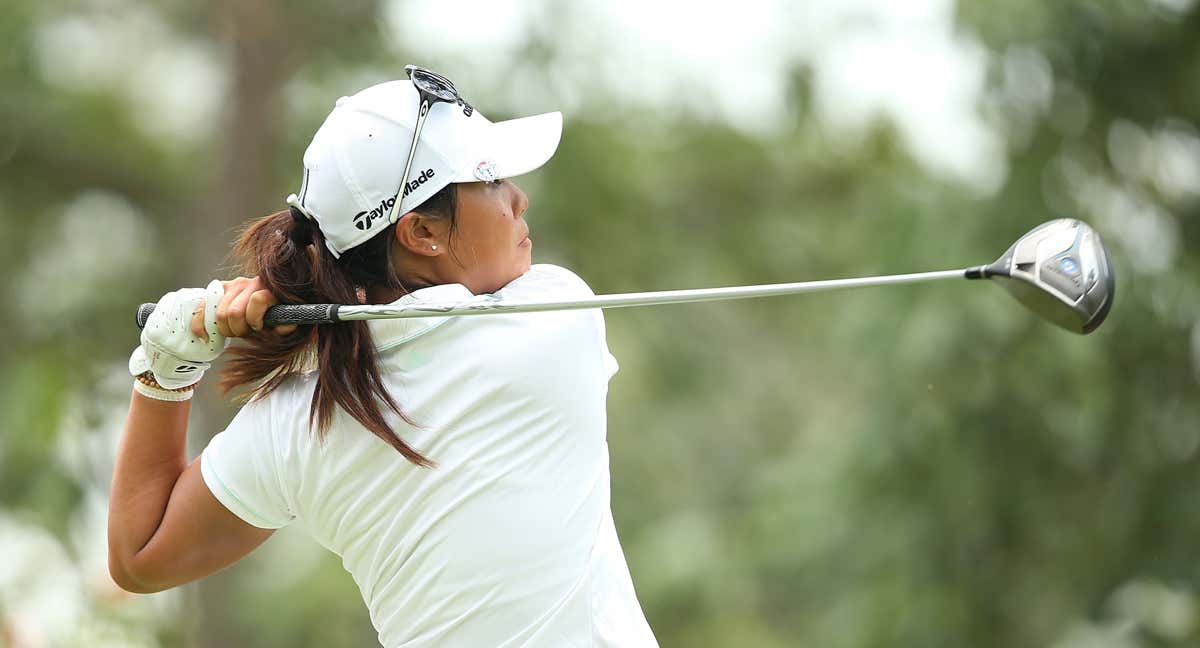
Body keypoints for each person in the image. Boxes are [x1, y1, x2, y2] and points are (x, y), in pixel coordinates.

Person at [108, 67, 659, 647]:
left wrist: (167, 365)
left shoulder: (298, 416)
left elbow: (140, 557)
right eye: (491, 178)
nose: (518, 197)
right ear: (421, 232)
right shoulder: (553, 316)